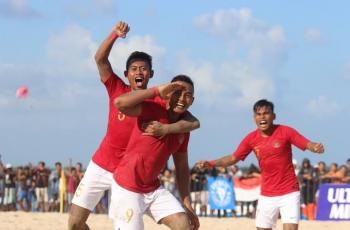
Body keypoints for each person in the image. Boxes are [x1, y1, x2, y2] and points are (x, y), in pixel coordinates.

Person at [68, 21, 200, 230]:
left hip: (137, 177)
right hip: (103, 164)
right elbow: (100, 59)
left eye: (144, 69)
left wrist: (169, 128)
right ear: (127, 73)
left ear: (151, 74)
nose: (139, 72)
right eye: (134, 69)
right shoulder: (118, 89)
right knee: (75, 223)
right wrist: (114, 34)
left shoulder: (160, 106)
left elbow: (191, 120)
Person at [196, 99, 324, 230]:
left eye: (266, 113)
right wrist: (210, 163)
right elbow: (233, 158)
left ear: (273, 116)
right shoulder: (251, 138)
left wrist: (314, 147)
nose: (262, 117)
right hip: (267, 194)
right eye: (258, 114)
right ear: (254, 118)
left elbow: (306, 143)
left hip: (289, 192)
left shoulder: (286, 131)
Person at [111, 75, 200, 230]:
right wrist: (157, 90)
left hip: (153, 188)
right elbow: (119, 103)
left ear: (192, 101)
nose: (182, 99)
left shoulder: (184, 128)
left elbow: (182, 167)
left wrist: (187, 203)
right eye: (177, 93)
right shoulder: (153, 108)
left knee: (184, 226)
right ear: (168, 94)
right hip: (127, 186)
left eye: (187, 95)